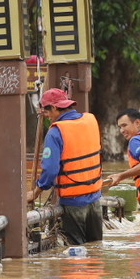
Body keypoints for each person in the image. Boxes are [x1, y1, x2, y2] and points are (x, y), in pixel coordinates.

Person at [28, 88, 105, 244]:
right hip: (95, 198)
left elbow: (50, 170)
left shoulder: (56, 132)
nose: (46, 115)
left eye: (47, 110)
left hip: (73, 202)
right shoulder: (90, 120)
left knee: (75, 254)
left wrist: (36, 192)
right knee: (95, 248)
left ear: (55, 107)